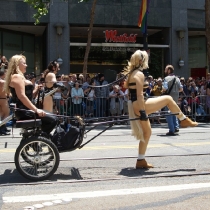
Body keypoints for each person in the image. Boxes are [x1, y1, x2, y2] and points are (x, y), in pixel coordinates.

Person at [121, 50, 198, 169]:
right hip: (140, 104)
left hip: (135, 104)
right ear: (141, 61)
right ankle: (183, 119)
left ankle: (140, 160)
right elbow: (140, 95)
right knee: (168, 98)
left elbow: (131, 94)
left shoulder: (132, 73)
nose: (147, 61)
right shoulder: (139, 74)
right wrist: (142, 111)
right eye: (146, 59)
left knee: (147, 133)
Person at [4, 55, 57, 134]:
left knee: (53, 117)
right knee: (53, 119)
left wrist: (35, 90)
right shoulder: (17, 77)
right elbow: (21, 96)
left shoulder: (19, 76)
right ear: (17, 64)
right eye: (24, 63)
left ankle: (39, 139)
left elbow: (26, 95)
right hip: (25, 111)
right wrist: (36, 110)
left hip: (26, 110)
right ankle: (41, 139)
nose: (26, 65)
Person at [162, 65, 182, 135]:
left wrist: (162, 90)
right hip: (175, 98)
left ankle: (171, 130)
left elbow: (165, 88)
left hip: (168, 98)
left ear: (169, 70)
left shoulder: (166, 79)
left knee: (168, 113)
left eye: (166, 69)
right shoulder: (177, 79)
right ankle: (176, 127)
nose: (165, 71)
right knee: (174, 112)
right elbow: (181, 89)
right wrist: (175, 92)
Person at [0, 69, 10, 135]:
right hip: (3, 99)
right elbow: (8, 91)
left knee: (1, 114)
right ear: (3, 74)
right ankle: (2, 129)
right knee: (6, 114)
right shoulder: (4, 82)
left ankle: (2, 129)